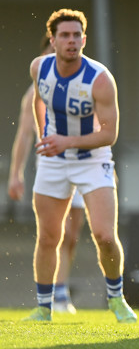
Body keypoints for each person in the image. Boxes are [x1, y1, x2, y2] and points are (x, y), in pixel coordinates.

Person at [21, 8, 137, 323]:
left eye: (77, 36)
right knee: (48, 237)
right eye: (65, 36)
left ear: (84, 39)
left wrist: (66, 141)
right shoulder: (39, 68)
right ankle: (44, 309)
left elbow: (109, 134)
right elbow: (38, 101)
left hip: (92, 159)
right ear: (53, 40)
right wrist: (47, 135)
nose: (72, 41)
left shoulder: (99, 80)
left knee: (104, 235)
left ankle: (116, 298)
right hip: (54, 161)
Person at [8, 35, 85, 314]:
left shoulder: (82, 85)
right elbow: (24, 135)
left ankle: (61, 290)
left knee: (72, 235)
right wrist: (15, 174)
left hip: (82, 167)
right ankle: (54, 293)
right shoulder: (34, 93)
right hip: (52, 170)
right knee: (54, 233)